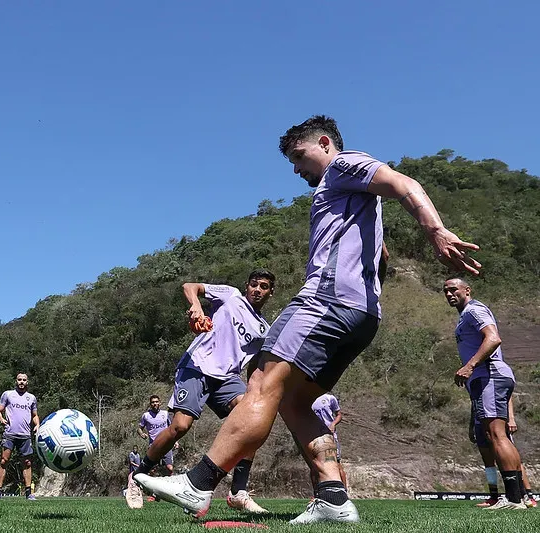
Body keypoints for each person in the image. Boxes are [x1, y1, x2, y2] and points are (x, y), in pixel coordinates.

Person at [135, 115, 481, 523]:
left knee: (262, 380)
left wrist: (435, 230)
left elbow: (404, 183)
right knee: (295, 401)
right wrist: (366, 298)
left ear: (324, 143)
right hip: (362, 315)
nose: (297, 169)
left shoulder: (342, 165)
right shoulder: (356, 203)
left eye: (300, 157)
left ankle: (199, 482)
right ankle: (333, 497)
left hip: (326, 299)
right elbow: (382, 255)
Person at [127, 271, 275, 514]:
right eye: (254, 284)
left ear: (270, 292)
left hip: (226, 378)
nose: (257, 290)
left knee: (253, 421)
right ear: (246, 286)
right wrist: (196, 306)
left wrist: (254, 390)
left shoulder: (263, 329)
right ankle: (137, 476)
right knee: (180, 427)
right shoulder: (231, 296)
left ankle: (238, 492)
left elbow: (255, 365)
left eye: (264, 286)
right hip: (197, 366)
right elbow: (190, 286)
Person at [443, 278, 526, 510]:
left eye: (453, 290)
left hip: (490, 375)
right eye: (445, 291)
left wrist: (470, 366)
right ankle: (517, 497)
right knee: (494, 436)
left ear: (467, 290)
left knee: (497, 435)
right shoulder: (464, 315)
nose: (449, 294)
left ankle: (515, 498)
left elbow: (493, 338)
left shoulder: (474, 310)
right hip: (485, 379)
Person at [471, 399, 535, 508]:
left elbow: (508, 397)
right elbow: (474, 402)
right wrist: (471, 424)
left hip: (496, 418)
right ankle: (493, 497)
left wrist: (511, 419)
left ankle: (527, 495)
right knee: (487, 459)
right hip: (479, 420)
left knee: (510, 459)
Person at [0, 373, 39, 501]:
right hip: (10, 434)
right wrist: (1, 419)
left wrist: (37, 425)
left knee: (27, 463)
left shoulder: (31, 398)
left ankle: (28, 493)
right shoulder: (7, 394)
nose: (21, 382)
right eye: (19, 380)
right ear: (16, 381)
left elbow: (35, 415)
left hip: (25, 435)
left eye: (24, 380)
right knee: (4, 461)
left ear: (27, 382)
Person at [310, 393, 347, 493]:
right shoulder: (308, 398)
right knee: (314, 466)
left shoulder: (329, 398)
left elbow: (339, 415)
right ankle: (317, 494)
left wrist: (333, 424)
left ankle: (344, 492)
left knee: (337, 464)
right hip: (314, 437)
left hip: (329, 436)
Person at [136, 396, 173, 477]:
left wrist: (175, 441)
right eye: (153, 402)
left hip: (166, 444)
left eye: (156, 402)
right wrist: (142, 434)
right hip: (153, 445)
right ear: (150, 404)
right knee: (151, 470)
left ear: (160, 403)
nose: (155, 403)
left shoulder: (165, 414)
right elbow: (139, 428)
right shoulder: (146, 416)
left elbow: (172, 428)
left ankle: (169, 481)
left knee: (170, 468)